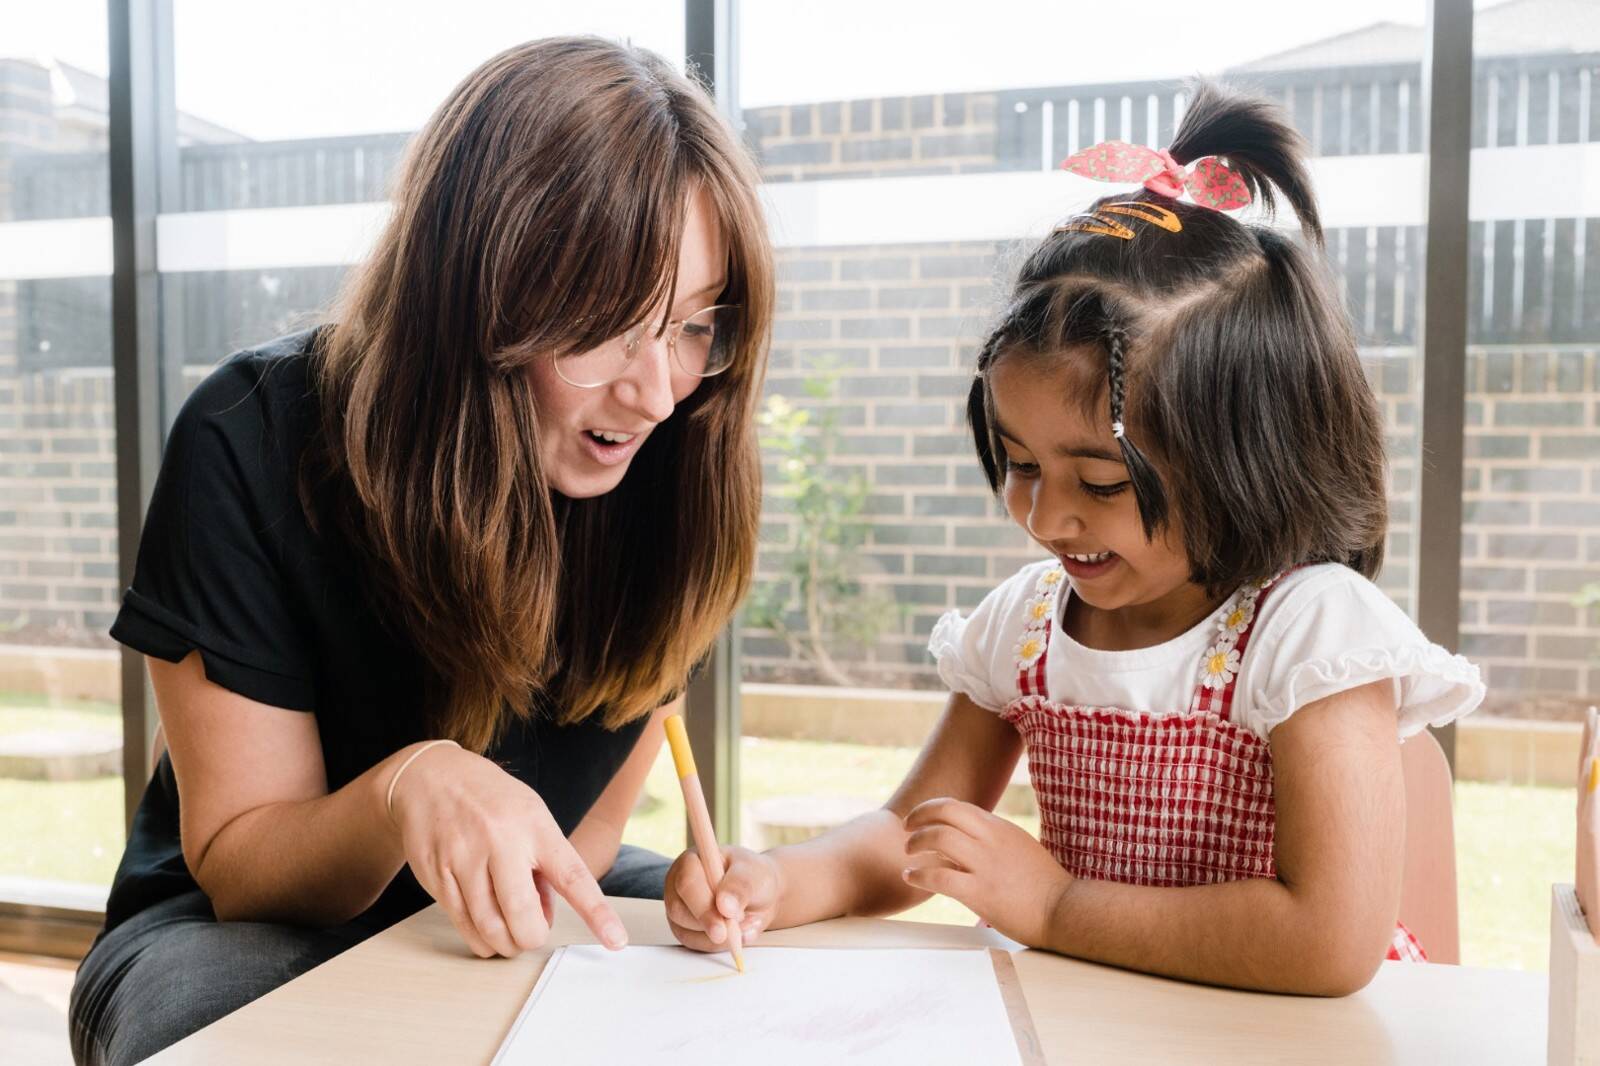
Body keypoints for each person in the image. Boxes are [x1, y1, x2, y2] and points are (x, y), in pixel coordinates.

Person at [664, 81, 1484, 997]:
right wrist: (778, 881)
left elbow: (1327, 941)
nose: (1048, 519)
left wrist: (1053, 905)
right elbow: (909, 833)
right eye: (1019, 465)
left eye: (1100, 482)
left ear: (1248, 462)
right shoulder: (1028, 628)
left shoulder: (1310, 637)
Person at [70, 36, 773, 1066]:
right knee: (212, 1012)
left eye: (691, 326)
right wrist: (406, 789)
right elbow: (243, 869)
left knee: (708, 973)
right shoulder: (253, 433)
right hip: (241, 927)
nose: (657, 391)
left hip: (497, 900)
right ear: (477, 290)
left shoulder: (680, 476)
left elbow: (574, 844)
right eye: (609, 327)